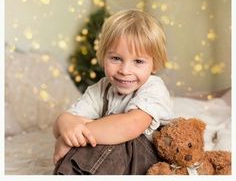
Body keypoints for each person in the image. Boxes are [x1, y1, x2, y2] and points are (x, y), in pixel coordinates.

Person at [53, 9, 173, 175]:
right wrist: (65, 125)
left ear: (155, 64)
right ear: (103, 57)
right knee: (93, 136)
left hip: (144, 157)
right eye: (116, 58)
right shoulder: (101, 88)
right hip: (115, 162)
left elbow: (131, 125)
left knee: (111, 136)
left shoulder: (154, 88)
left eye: (138, 61)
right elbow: (67, 121)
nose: (125, 70)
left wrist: (77, 135)